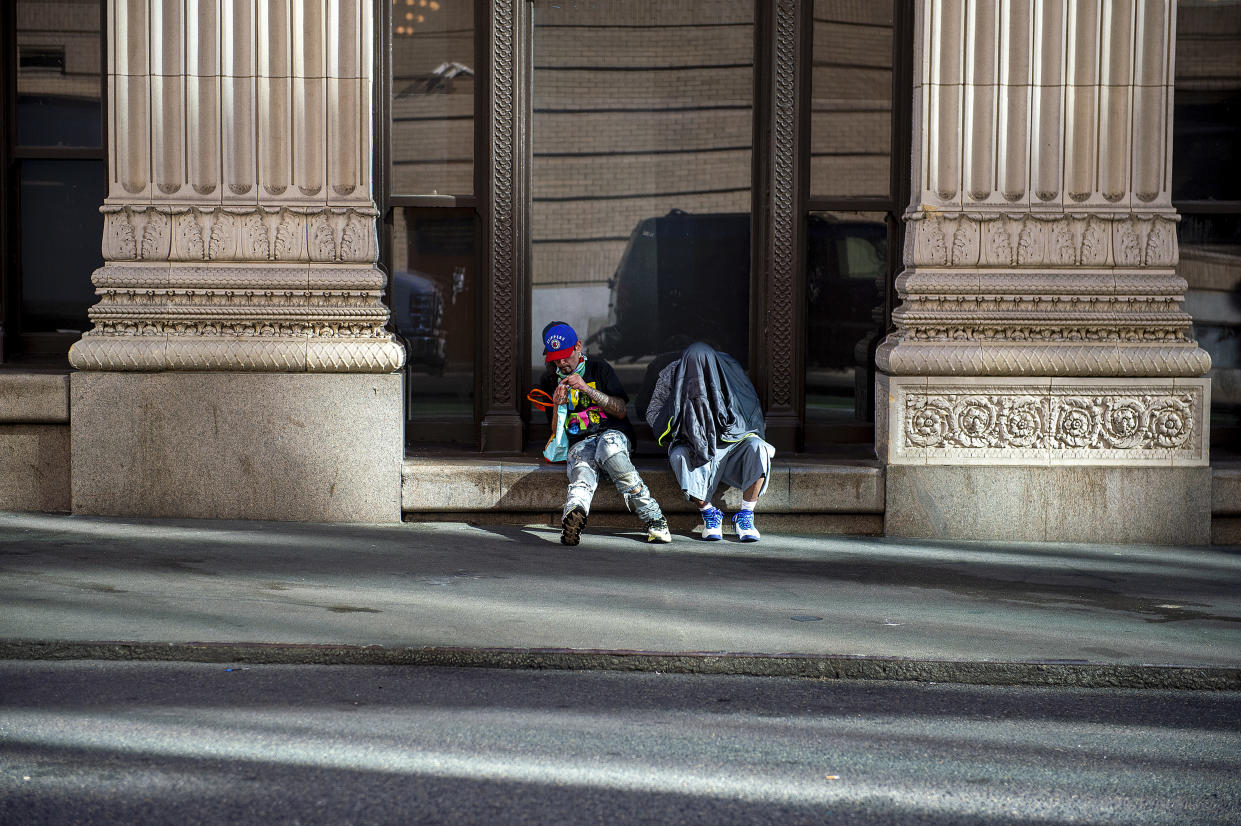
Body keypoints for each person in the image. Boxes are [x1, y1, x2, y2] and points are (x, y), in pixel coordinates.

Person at [539, 321, 671, 546]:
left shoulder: (599, 368)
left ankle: (654, 518)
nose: (561, 363)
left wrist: (586, 388)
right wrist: (556, 406)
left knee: (609, 449)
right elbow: (555, 433)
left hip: (613, 433)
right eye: (555, 358)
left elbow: (620, 411)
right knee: (581, 471)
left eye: (565, 356)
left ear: (578, 347)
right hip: (580, 442)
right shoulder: (549, 380)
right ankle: (574, 515)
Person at [644, 342, 774, 542]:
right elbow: (652, 413)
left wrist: (728, 425)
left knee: (760, 448)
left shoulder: (728, 368)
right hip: (692, 445)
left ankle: (746, 515)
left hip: (732, 441)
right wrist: (680, 407)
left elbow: (751, 410)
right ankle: (709, 513)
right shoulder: (671, 372)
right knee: (678, 456)